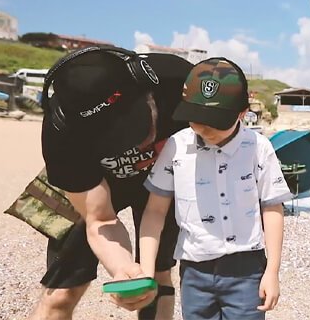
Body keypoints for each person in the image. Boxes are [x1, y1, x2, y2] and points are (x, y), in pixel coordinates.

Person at [29, 46, 193, 320]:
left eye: (136, 125)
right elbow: (100, 220)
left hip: (163, 183)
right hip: (95, 185)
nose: (136, 144)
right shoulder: (60, 136)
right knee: (60, 294)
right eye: (111, 140)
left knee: (158, 275)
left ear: (145, 86)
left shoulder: (177, 79)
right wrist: (122, 269)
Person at [139, 57, 292, 320]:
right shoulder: (176, 147)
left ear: (242, 113)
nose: (203, 128)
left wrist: (272, 271)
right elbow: (154, 211)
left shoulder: (258, 148)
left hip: (246, 270)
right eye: (195, 118)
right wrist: (145, 270)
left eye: (214, 121)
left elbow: (272, 208)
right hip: (194, 271)